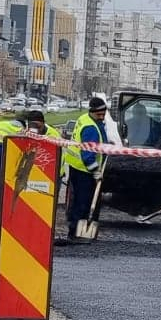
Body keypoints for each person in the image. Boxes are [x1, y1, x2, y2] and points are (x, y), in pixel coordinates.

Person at [62, 95, 109, 243]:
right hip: (84, 170)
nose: (102, 117)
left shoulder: (86, 118)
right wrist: (95, 172)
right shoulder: (90, 128)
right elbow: (88, 155)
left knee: (79, 201)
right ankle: (77, 233)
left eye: (104, 114)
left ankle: (76, 231)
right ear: (92, 112)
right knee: (83, 203)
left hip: (77, 168)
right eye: (99, 114)